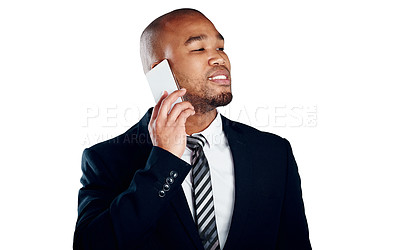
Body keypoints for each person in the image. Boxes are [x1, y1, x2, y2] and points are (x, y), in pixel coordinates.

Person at [73, 8, 311, 250]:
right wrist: (163, 161)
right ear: (160, 71)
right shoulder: (107, 159)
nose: (220, 59)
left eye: (220, 48)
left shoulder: (273, 152)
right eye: (199, 49)